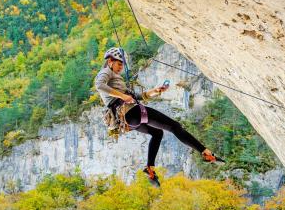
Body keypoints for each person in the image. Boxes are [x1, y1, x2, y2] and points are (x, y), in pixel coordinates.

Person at [95, 47, 223, 187]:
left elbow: (137, 96)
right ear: (110, 61)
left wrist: (155, 92)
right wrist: (123, 96)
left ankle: (150, 169)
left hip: (129, 120)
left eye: (122, 64)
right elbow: (99, 85)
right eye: (119, 64)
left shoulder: (116, 79)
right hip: (130, 112)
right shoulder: (105, 72)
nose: (121, 67)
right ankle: (205, 152)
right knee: (174, 126)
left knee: (157, 133)